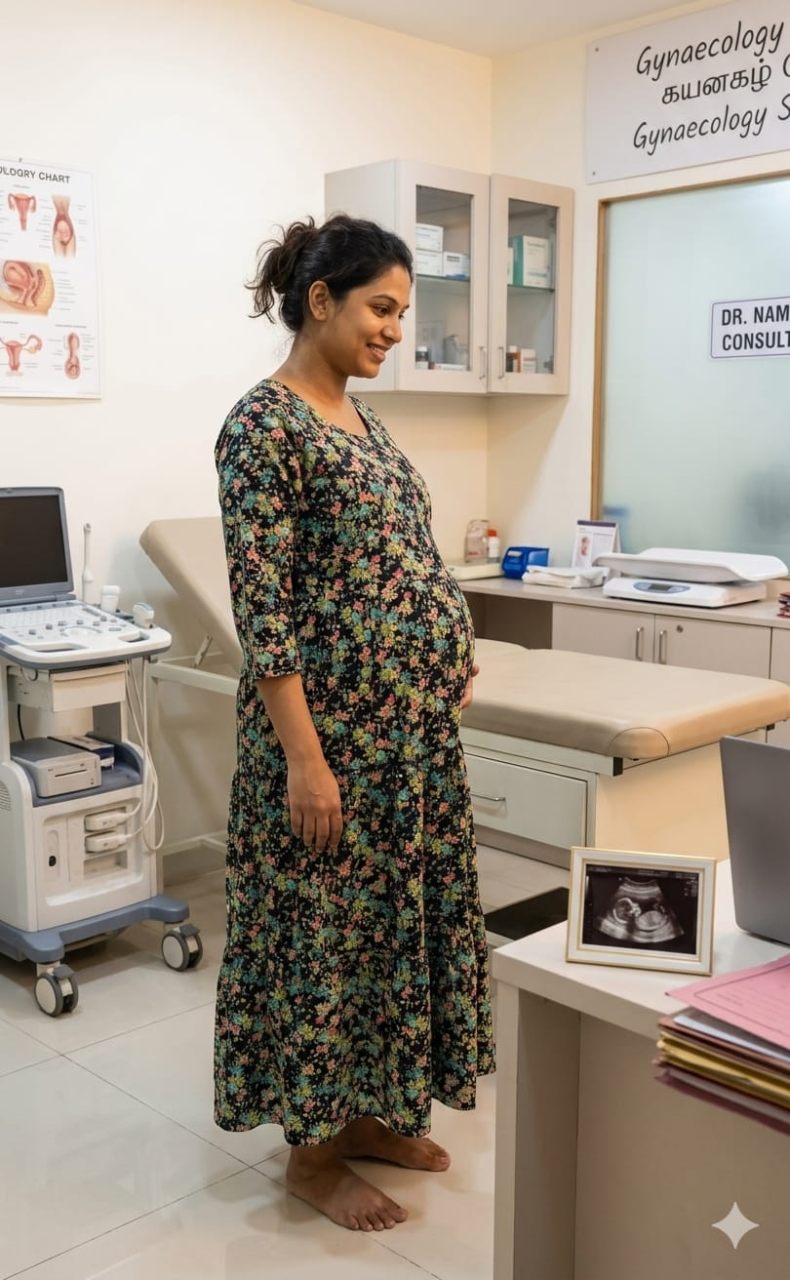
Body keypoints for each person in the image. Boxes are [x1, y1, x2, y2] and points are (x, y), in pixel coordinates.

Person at [213, 213, 495, 1233]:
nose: (394, 330)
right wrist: (305, 760)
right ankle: (313, 1153)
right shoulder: (264, 426)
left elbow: (397, 560)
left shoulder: (362, 422)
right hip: (331, 746)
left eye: (402, 313)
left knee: (388, 937)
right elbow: (267, 612)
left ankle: (371, 1115)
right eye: (381, 307)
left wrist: (447, 647)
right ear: (320, 299)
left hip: (406, 747)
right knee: (324, 943)